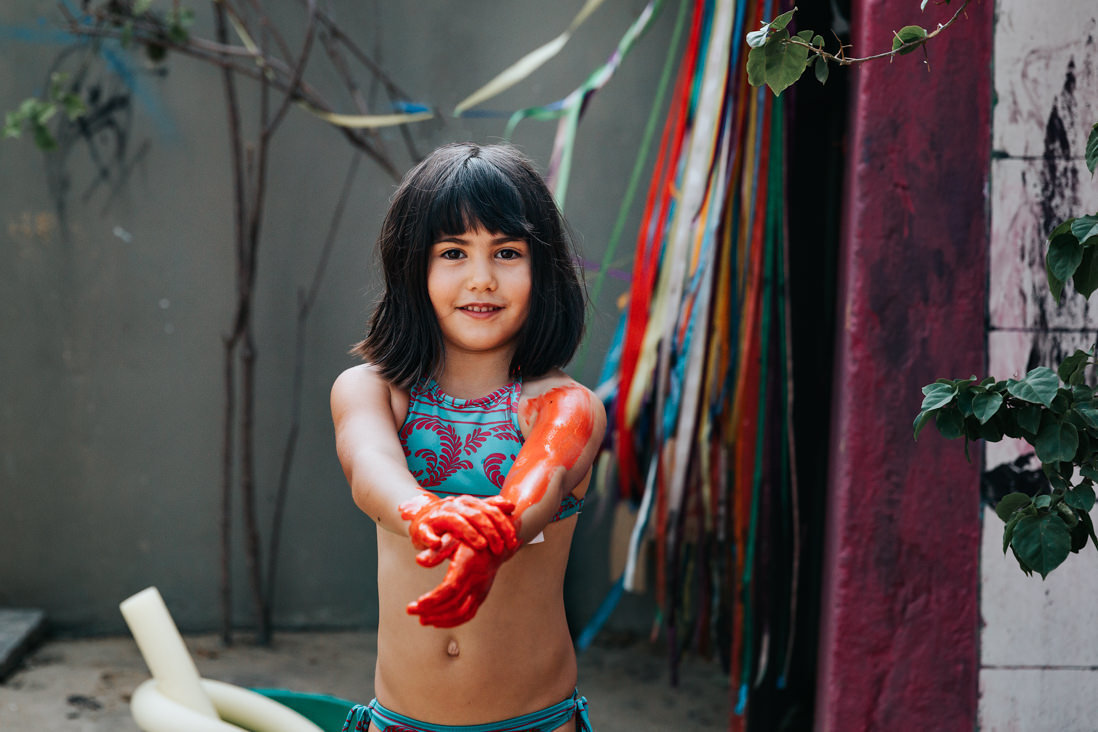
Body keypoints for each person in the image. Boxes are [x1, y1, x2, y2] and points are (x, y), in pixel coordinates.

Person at [330, 142, 606, 732]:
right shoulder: (372, 390)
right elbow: (370, 468)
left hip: (536, 722)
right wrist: (426, 514)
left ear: (544, 269)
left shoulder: (567, 405)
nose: (481, 279)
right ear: (413, 267)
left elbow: (540, 481)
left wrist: (491, 541)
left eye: (507, 252)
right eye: (453, 252)